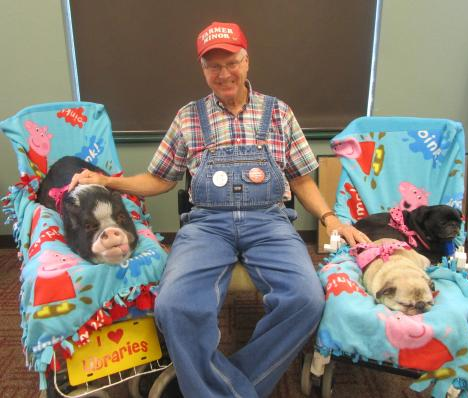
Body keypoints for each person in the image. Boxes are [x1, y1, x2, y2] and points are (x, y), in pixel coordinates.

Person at [69, 21, 369, 398]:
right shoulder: (188, 117)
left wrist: (330, 218)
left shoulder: (279, 114)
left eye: (231, 62)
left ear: (247, 62)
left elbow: (301, 180)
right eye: (213, 66)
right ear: (203, 69)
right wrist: (109, 181)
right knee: (174, 306)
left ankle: (218, 387)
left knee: (306, 301)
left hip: (270, 222)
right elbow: (159, 178)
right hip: (207, 225)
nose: (223, 73)